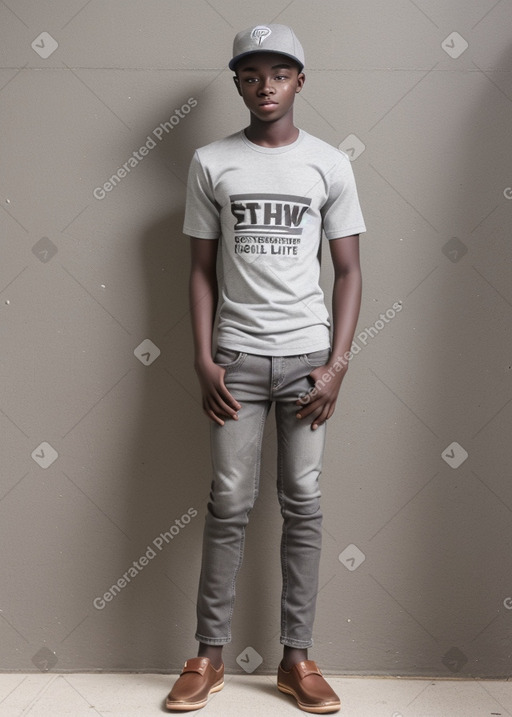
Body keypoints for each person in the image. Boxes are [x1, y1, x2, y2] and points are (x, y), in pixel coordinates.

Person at [165, 23, 366, 714]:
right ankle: (208, 656)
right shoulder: (211, 162)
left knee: (302, 503)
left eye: (280, 72)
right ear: (238, 83)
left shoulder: (329, 164)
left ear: (300, 81)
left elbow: (348, 271)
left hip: (309, 361)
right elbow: (198, 272)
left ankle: (297, 658)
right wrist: (202, 357)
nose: (266, 85)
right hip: (238, 362)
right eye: (252, 74)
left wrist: (338, 365)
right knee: (228, 501)